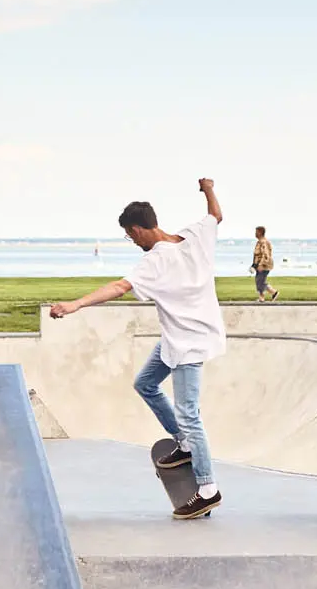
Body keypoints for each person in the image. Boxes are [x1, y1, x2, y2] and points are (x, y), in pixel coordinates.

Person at [49, 178, 227, 520]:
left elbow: (119, 286)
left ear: (138, 229)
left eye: (130, 236)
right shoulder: (196, 236)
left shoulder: (155, 261)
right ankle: (185, 444)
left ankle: (208, 489)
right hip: (178, 338)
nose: (132, 242)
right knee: (145, 384)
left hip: (188, 344)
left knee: (189, 413)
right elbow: (216, 215)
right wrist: (207, 189)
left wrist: (76, 304)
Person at [252, 226, 278, 302]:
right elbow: (257, 255)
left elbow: (265, 255)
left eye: (256, 232)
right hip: (259, 265)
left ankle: (273, 292)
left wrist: (261, 265)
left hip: (264, 265)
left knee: (260, 281)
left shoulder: (263, 242)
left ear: (260, 232)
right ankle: (263, 297)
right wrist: (254, 265)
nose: (255, 234)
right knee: (259, 281)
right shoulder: (260, 241)